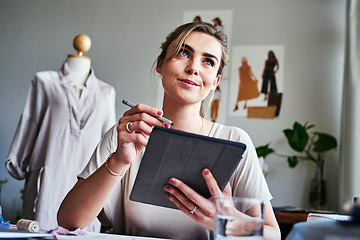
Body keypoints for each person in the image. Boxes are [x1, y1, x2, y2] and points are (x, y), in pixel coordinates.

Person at [57, 22, 281, 240]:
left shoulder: (235, 141)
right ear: (160, 64)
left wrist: (228, 223)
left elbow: (273, 235)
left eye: (208, 62)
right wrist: (119, 160)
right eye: (184, 53)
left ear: (215, 82)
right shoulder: (127, 135)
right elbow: (68, 221)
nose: (194, 67)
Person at [5, 40, 116, 231]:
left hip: (86, 189)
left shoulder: (106, 92)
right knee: (38, 232)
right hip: (48, 183)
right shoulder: (44, 82)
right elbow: (30, 123)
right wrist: (18, 163)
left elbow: (109, 144)